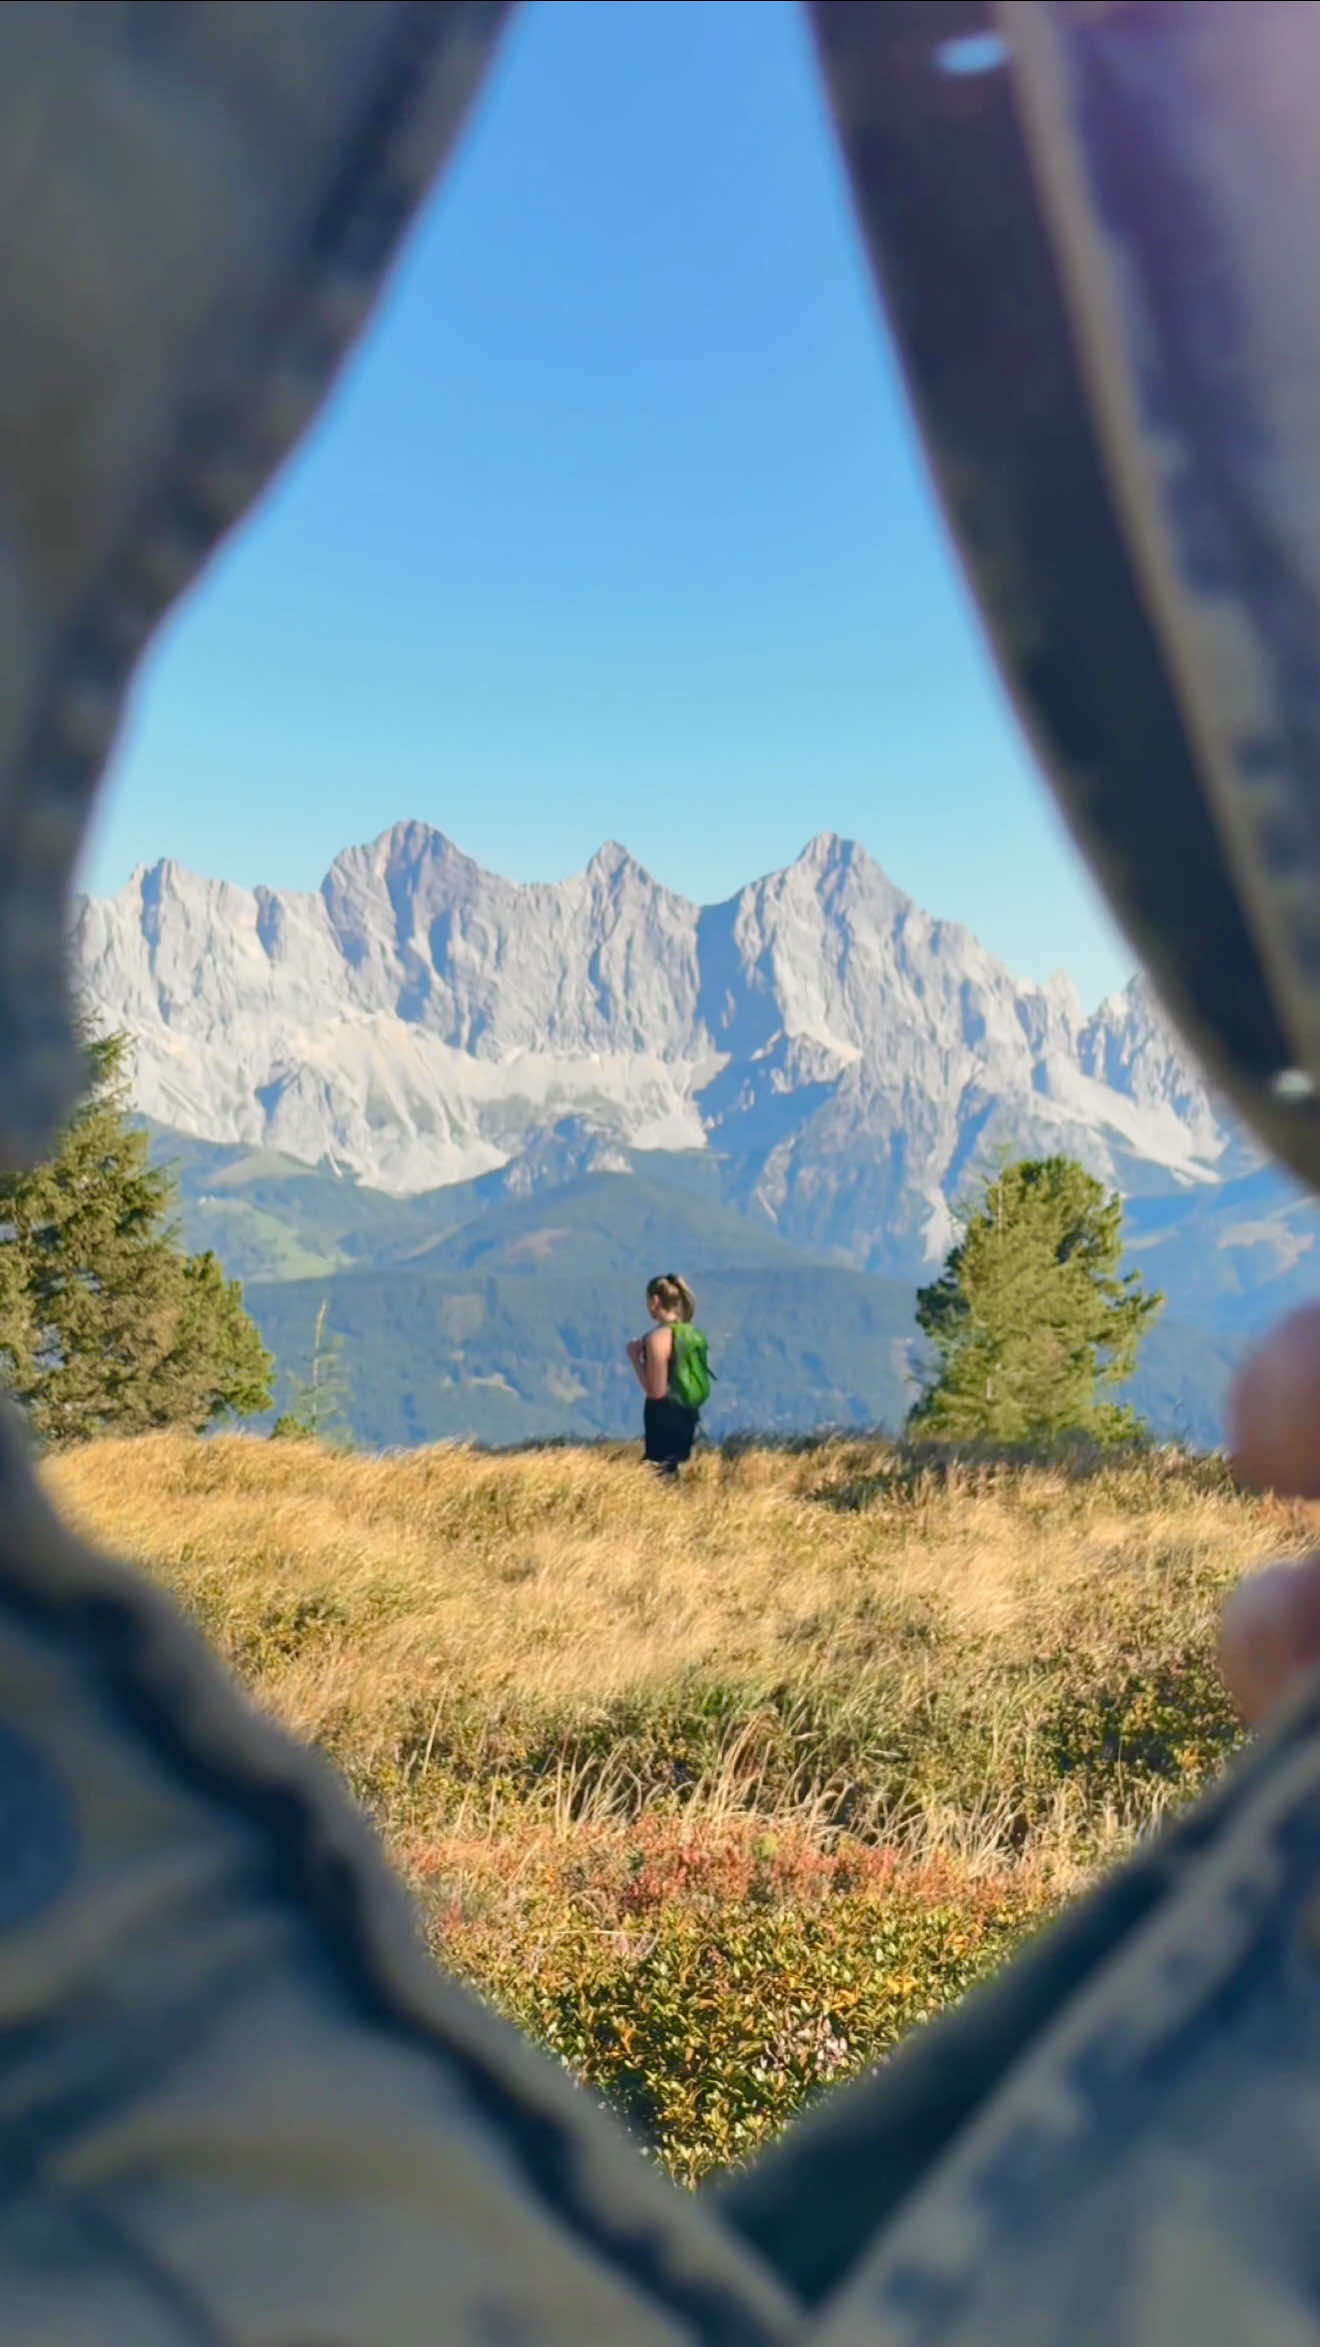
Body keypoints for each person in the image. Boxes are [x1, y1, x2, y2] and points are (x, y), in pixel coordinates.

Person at [626, 1272, 711, 1477]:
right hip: (687, 1415)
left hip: (664, 1418)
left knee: (658, 1473)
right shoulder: (691, 1334)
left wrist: (635, 1359)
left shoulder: (657, 1338)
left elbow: (656, 1391)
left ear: (655, 1301)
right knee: (676, 1469)